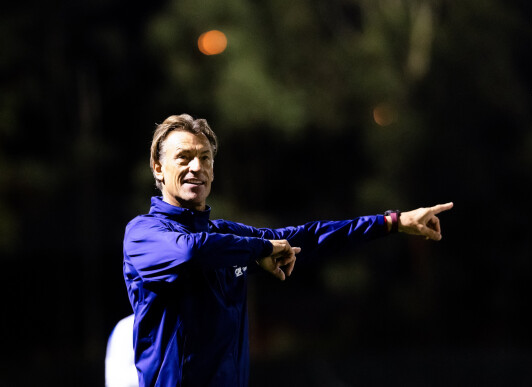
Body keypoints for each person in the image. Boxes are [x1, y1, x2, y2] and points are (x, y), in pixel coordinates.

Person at [123, 113, 453, 387]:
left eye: (205, 158)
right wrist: (260, 248)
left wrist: (393, 222)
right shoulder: (144, 234)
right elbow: (190, 253)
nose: (197, 167)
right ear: (158, 167)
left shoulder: (226, 237)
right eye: (184, 157)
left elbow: (307, 237)